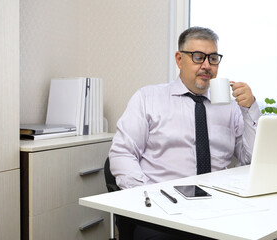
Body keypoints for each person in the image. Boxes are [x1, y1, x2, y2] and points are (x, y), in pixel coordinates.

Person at [109, 26, 261, 240]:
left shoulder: (230, 107)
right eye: (198, 57)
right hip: (164, 210)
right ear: (180, 59)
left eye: (213, 58)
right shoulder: (148, 98)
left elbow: (249, 161)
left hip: (219, 208)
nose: (207, 65)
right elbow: (122, 154)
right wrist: (147, 197)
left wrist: (250, 109)